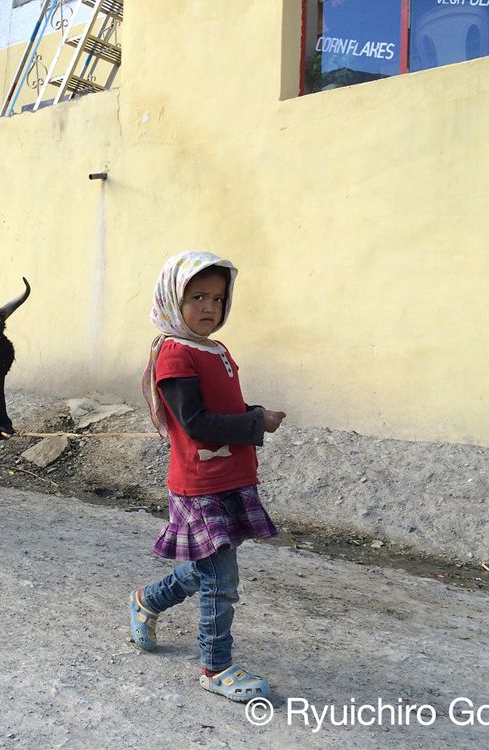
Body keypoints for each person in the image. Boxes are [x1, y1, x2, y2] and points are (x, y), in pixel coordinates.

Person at [128, 250, 286, 703]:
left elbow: (223, 409)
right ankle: (215, 666)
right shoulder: (176, 354)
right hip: (200, 483)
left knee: (206, 571)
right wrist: (256, 423)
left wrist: (252, 413)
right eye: (196, 296)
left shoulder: (213, 349)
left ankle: (147, 601)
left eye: (217, 298)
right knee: (222, 579)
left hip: (228, 474)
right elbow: (195, 422)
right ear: (172, 299)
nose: (209, 307)